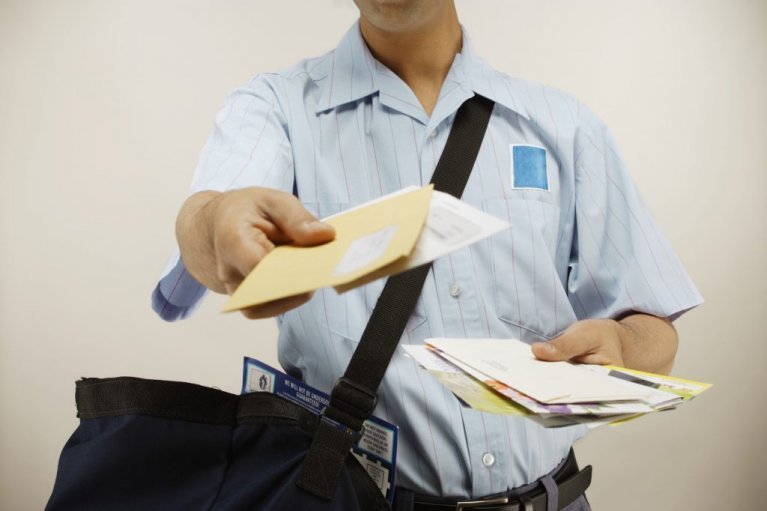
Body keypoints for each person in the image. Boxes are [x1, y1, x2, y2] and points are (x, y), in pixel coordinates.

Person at [153, 1, 702, 509]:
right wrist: (216, 222)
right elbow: (206, 227)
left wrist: (624, 346)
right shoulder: (275, 107)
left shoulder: (565, 124)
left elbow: (655, 328)